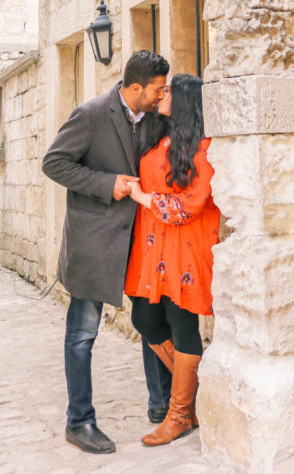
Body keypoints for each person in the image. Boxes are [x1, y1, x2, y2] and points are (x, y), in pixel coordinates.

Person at [42, 49, 169, 455]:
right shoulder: (91, 113)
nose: (160, 96)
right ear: (135, 87)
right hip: (94, 245)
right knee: (82, 334)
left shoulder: (154, 118)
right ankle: (79, 422)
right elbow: (54, 163)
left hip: (140, 243)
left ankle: (162, 406)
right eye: (156, 90)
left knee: (152, 324)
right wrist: (106, 183)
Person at [125, 73, 220, 447]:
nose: (161, 95)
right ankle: (193, 401)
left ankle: (180, 414)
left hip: (186, 247)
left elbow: (190, 206)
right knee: (144, 316)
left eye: (168, 91)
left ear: (184, 100)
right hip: (155, 247)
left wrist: (143, 199)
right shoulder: (160, 136)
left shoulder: (204, 148)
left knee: (183, 325)